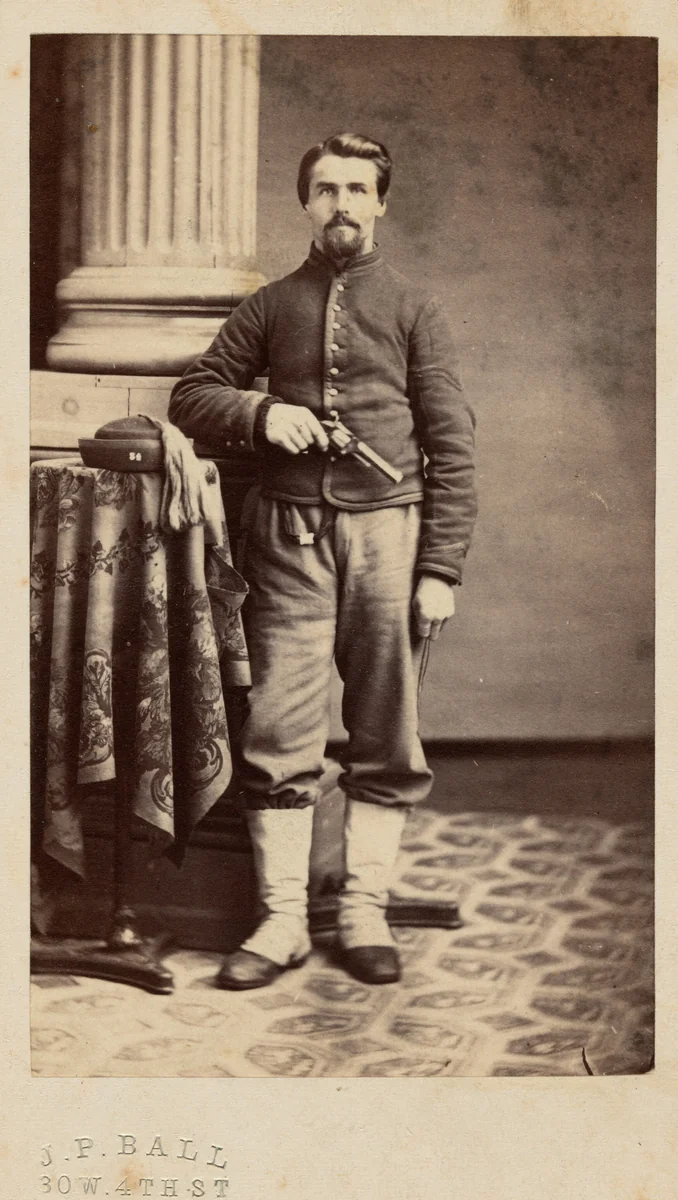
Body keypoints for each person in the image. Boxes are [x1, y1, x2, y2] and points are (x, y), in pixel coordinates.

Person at [169, 132, 477, 990]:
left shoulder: (417, 309)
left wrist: (440, 568)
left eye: (357, 189)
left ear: (382, 201)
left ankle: (364, 910)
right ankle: (281, 922)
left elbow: (452, 448)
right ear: (305, 203)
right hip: (287, 539)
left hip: (390, 537)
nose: (341, 204)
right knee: (279, 729)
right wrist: (262, 414)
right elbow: (192, 394)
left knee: (386, 729)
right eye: (325, 189)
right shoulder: (270, 306)